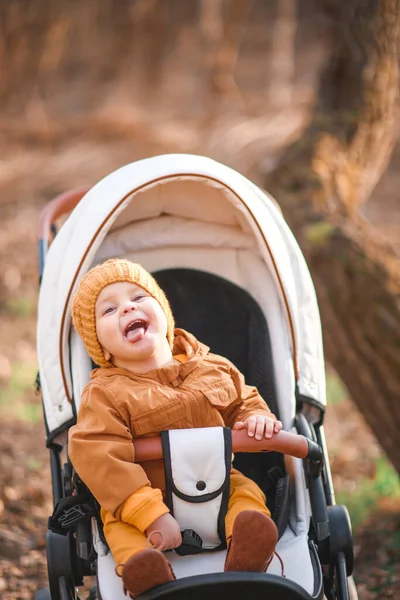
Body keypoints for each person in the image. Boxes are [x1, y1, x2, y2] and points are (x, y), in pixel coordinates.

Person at [69, 258, 283, 598]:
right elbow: (98, 455)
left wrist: (257, 418)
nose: (127, 308)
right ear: (100, 345)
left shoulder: (212, 366)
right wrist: (150, 515)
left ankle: (247, 551)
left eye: (138, 298)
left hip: (217, 482)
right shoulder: (104, 393)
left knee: (247, 494)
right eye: (109, 310)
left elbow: (245, 401)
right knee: (119, 525)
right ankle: (146, 572)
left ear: (163, 311)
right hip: (143, 496)